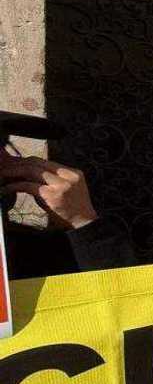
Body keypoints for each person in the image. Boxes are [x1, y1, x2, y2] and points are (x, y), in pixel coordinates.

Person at [0, 111, 135, 279]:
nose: (7, 160)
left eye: (3, 144)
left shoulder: (32, 253)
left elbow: (128, 298)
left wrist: (83, 223)